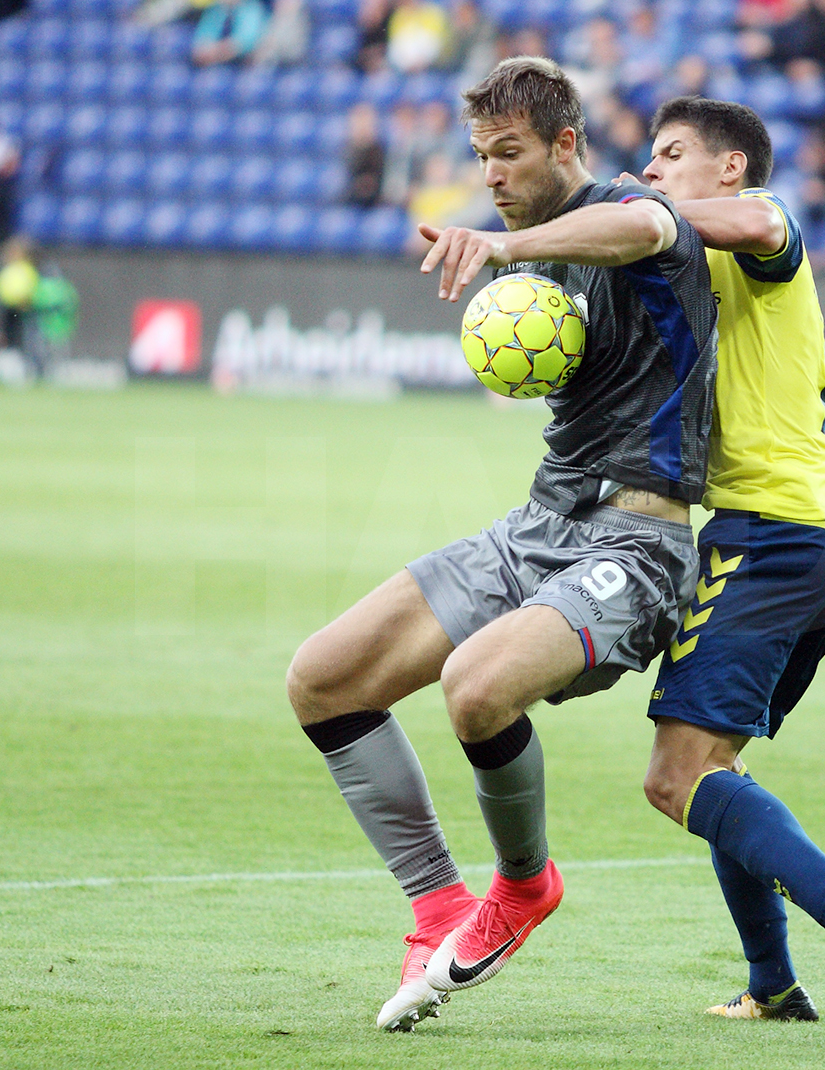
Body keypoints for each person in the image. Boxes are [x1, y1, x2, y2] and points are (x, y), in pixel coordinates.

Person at [286, 57, 717, 1032]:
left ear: (567, 144)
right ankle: (438, 903)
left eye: (508, 153)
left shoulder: (632, 213)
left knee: (475, 686)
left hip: (640, 538)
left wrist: (505, 246)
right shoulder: (528, 244)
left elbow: (647, 226)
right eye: (481, 156)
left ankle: (523, 885)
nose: (490, 173)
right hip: (539, 523)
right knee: (323, 676)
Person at [639, 97, 825, 1053]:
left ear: (730, 169)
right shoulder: (699, 260)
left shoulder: (761, 222)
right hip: (821, 538)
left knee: (677, 776)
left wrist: (647, 216)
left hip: (772, 535)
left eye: (672, 155)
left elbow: (766, 222)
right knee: (720, 769)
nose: (653, 172)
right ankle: (772, 985)